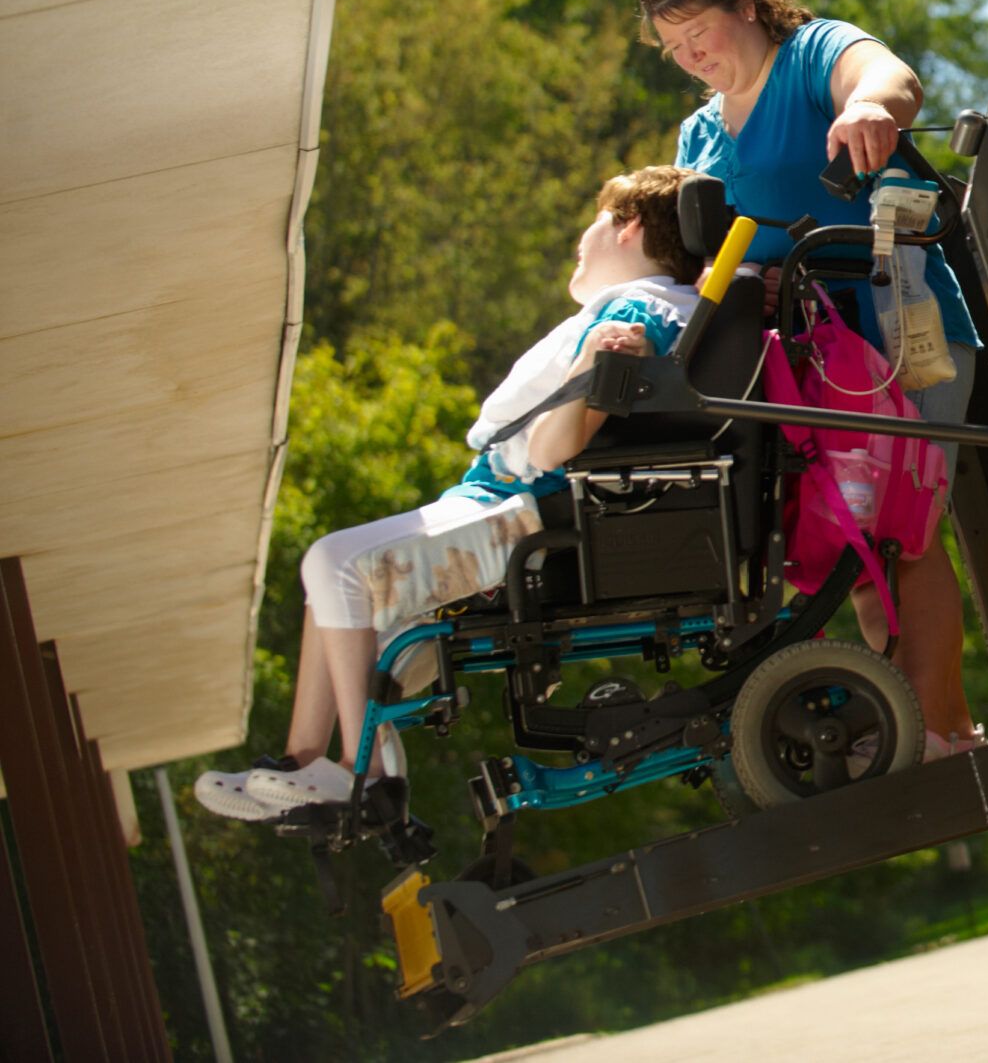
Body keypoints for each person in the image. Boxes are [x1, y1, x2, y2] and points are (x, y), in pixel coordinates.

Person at [194, 168, 705, 822]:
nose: (584, 239)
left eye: (597, 222)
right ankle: (302, 763)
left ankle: (367, 780)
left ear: (627, 226)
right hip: (512, 501)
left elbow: (552, 449)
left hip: (524, 509)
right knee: (334, 584)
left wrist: (588, 367)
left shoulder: (633, 317)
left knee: (331, 564)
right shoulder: (662, 309)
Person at [638, 0, 985, 759]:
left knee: (907, 534)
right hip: (808, 372)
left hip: (901, 335)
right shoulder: (699, 136)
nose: (691, 57)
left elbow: (888, 76)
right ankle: (936, 733)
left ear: (747, 4)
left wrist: (870, 106)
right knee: (860, 553)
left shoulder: (811, 55)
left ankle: (935, 731)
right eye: (673, 49)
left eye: (699, 33)